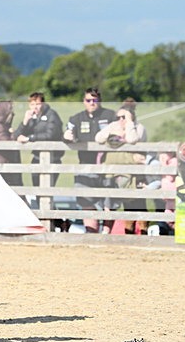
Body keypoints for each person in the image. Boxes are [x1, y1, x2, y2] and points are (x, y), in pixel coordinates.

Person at [63, 88, 117, 233]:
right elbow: (67, 135)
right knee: (86, 201)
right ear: (84, 102)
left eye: (95, 100)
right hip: (86, 166)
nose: (92, 103)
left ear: (100, 101)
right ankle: (91, 233)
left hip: (107, 166)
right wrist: (68, 136)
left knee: (109, 203)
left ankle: (106, 234)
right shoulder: (76, 118)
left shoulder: (111, 116)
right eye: (88, 100)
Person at [94, 105, 147, 234]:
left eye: (124, 117)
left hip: (134, 173)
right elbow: (98, 138)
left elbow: (132, 139)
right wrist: (114, 131)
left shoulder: (138, 127)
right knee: (118, 205)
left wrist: (129, 124)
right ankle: (126, 233)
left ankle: (143, 234)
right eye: (118, 117)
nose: (120, 120)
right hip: (116, 172)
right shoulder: (114, 126)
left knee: (137, 204)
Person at [14, 92, 64, 189]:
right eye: (32, 104)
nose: (35, 107)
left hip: (53, 158)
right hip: (37, 158)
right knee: (37, 190)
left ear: (43, 103)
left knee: (47, 191)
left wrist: (30, 138)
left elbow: (50, 135)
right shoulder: (31, 117)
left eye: (37, 104)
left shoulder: (52, 115)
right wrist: (25, 121)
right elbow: (17, 135)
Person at [0, 100, 23, 187]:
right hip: (1, 164)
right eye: (10, 111)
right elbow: (8, 143)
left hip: (4, 163)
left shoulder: (3, 126)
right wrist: (15, 134)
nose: (12, 114)